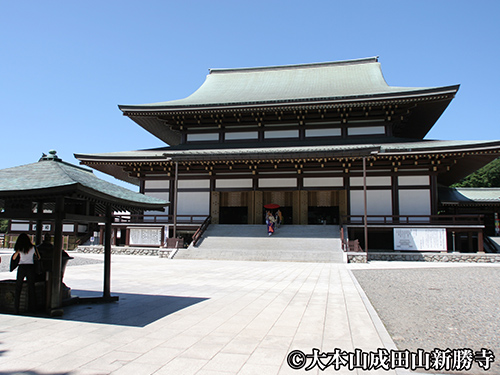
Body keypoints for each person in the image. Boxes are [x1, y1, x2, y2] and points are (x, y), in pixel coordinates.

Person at [12, 233, 40, 314]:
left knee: (18, 288)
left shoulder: (20, 248)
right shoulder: (33, 247)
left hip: (22, 267)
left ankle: (16, 308)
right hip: (30, 267)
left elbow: (14, 258)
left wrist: (18, 251)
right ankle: (33, 308)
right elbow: (38, 257)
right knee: (31, 287)